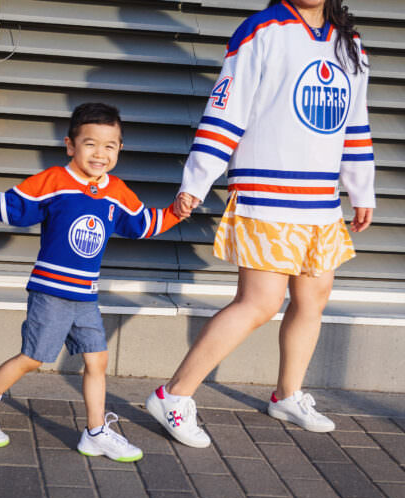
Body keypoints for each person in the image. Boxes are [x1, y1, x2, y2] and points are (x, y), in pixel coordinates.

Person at [144, 0, 375, 449]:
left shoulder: (350, 42)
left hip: (321, 200)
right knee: (260, 303)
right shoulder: (260, 30)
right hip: (267, 193)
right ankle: (173, 395)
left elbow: (355, 121)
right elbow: (227, 109)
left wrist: (361, 188)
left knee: (313, 296)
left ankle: (287, 395)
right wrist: (196, 180)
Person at [0, 103, 181, 462]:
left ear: (120, 149)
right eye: (90, 144)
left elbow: (142, 224)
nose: (100, 154)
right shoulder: (54, 182)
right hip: (50, 291)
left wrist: (175, 213)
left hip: (86, 295)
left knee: (97, 360)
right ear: (70, 145)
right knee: (32, 358)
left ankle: (95, 432)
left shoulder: (116, 191)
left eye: (110, 146)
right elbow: (10, 208)